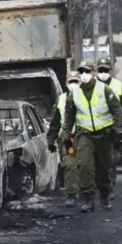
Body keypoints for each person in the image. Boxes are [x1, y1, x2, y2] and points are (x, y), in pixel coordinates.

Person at [61, 61, 122, 213]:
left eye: (87, 71)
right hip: (85, 134)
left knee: (104, 168)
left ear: (93, 73)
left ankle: (104, 194)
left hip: (104, 134)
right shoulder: (74, 93)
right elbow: (69, 115)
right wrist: (66, 133)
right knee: (84, 166)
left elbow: (117, 110)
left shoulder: (105, 90)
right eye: (81, 71)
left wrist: (118, 130)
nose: (84, 74)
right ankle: (88, 199)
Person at [95, 57, 122, 198]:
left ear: (110, 70)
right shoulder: (88, 86)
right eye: (101, 70)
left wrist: (120, 118)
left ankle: (109, 188)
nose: (103, 72)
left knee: (110, 159)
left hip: (112, 129)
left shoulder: (118, 86)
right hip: (93, 129)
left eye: (106, 69)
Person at [47, 71, 81, 207]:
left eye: (76, 82)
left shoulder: (87, 97)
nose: (73, 85)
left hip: (86, 137)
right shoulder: (61, 99)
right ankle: (71, 194)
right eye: (70, 82)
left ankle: (88, 193)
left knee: (86, 166)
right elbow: (56, 120)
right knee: (70, 165)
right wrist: (51, 139)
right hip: (68, 138)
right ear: (66, 83)